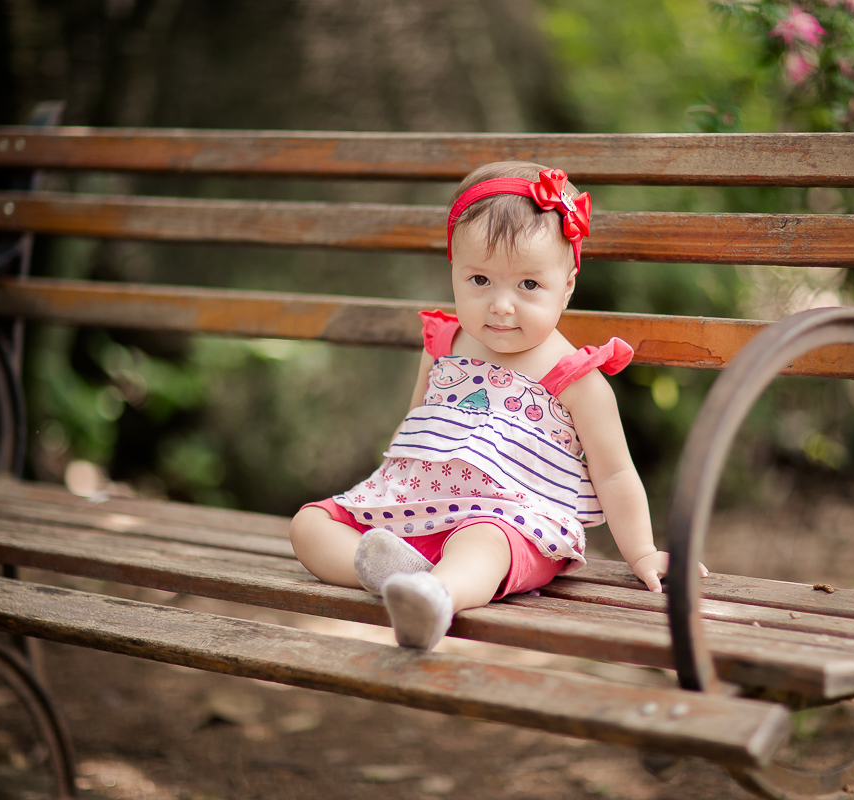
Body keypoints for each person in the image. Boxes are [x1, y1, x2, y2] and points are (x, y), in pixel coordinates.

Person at [289, 161, 705, 650]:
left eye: (528, 286)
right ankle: (400, 575)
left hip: (514, 525)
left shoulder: (575, 377)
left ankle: (437, 594)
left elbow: (614, 474)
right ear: (454, 271)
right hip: (418, 508)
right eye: (480, 280)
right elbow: (418, 429)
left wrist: (643, 554)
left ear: (566, 286)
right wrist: (388, 499)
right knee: (308, 526)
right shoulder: (443, 344)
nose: (501, 305)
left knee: (482, 542)